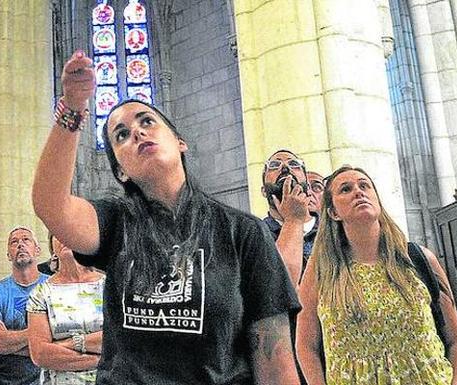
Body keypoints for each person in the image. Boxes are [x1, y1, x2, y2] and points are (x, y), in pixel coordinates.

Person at [31, 50, 301, 384]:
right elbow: (50, 205)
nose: (138, 133)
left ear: (180, 142)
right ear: (121, 171)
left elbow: (274, 359)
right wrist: (71, 110)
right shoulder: (117, 222)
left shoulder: (243, 232)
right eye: (121, 134)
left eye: (147, 122)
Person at [296, 166, 457, 385]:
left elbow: (456, 339)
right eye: (346, 189)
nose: (358, 192)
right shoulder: (322, 270)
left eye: (364, 185)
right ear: (333, 212)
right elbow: (306, 346)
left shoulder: (418, 259)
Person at [27, 236, 105, 385]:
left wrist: (70, 343)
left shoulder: (108, 286)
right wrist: (99, 359)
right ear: (51, 247)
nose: (63, 238)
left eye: (66, 232)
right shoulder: (41, 293)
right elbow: (40, 354)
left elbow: (116, 340)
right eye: (57, 234)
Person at [0, 226, 49, 385]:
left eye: (26, 239)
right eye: (14, 242)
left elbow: (64, 340)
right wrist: (43, 333)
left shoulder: (53, 286)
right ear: (8, 255)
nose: (20, 244)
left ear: (37, 249)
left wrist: (9, 340)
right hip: (4, 380)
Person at [261, 149, 319, 285]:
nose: (285, 168)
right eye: (274, 165)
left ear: (308, 187)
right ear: (263, 191)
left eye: (294, 164)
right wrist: (293, 220)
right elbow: (275, 288)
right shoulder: (254, 235)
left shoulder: (332, 229)